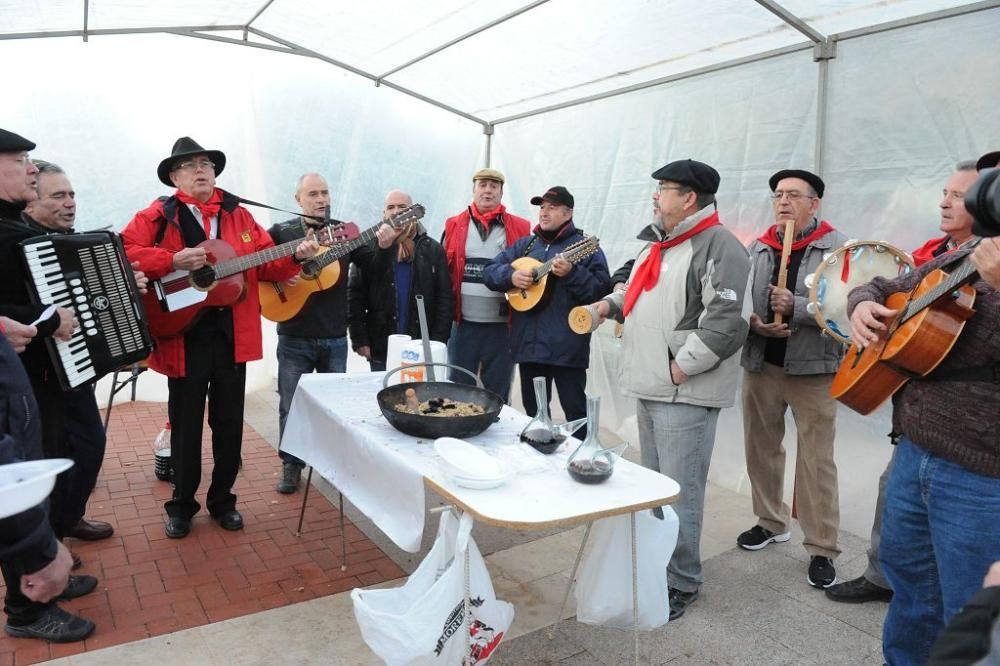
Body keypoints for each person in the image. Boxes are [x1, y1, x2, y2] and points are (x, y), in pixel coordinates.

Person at [122, 137, 319, 538]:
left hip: (232, 335)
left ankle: (223, 501)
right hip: (182, 337)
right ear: (175, 176)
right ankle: (180, 505)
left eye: (206, 164)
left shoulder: (240, 217)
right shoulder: (158, 214)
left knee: (229, 424)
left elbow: (270, 265)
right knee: (185, 422)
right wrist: (171, 259)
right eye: (190, 165)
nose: (200, 170)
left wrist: (297, 255)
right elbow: (123, 251)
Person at [848, 149, 1000, 664]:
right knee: (911, 590)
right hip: (915, 449)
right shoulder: (969, 250)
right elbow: (887, 285)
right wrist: (863, 304)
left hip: (983, 475)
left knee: (971, 615)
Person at [589, 159, 751, 620]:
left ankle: (682, 581)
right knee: (657, 486)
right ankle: (661, 567)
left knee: (681, 490)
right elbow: (639, 293)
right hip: (654, 384)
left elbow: (727, 320)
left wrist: (680, 368)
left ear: (689, 198)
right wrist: (608, 305)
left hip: (683, 390)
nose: (656, 197)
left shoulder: (719, 245)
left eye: (664, 189)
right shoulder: (659, 245)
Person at [827, 160, 981, 604]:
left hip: (974, 451)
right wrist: (860, 304)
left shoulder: (981, 261)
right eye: (945, 192)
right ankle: (883, 577)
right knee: (894, 509)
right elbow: (876, 285)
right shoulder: (945, 254)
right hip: (917, 430)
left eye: (957, 195)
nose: (943, 201)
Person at [0, 128, 94, 643]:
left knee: (65, 456)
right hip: (15, 387)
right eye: (20, 160)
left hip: (36, 380)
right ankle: (27, 607)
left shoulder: (14, 224)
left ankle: (46, 570)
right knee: (19, 491)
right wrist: (38, 318)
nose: (32, 169)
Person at [736, 169, 848, 589]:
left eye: (793, 195)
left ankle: (822, 547)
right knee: (761, 448)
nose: (782, 202)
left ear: (814, 203)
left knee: (816, 459)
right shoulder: (760, 246)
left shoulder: (838, 249)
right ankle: (770, 520)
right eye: (778, 195)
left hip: (814, 370)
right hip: (763, 363)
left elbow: (846, 308)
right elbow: (738, 298)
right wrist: (755, 324)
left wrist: (798, 306)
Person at [20, 162, 115, 545]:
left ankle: (69, 517)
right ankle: (53, 538)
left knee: (89, 446)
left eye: (72, 194)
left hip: (74, 366)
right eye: (58, 196)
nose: (70, 203)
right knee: (54, 455)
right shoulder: (17, 246)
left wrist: (126, 279)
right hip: (37, 377)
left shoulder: (70, 242)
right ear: (31, 204)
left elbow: (92, 301)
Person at [266, 173, 373, 494]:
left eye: (325, 193)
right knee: (291, 404)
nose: (321, 199)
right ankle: (291, 464)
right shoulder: (280, 232)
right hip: (294, 335)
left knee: (332, 406)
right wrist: (286, 273)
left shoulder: (344, 232)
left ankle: (330, 461)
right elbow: (261, 271)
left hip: (334, 337)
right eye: (313, 194)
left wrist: (381, 242)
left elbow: (370, 262)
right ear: (298, 199)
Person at [482, 186, 610, 437]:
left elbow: (600, 291)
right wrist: (511, 276)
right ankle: (538, 458)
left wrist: (573, 273)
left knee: (575, 412)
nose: (544, 212)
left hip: (567, 347)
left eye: (551, 207)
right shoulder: (526, 246)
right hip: (529, 345)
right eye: (542, 207)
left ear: (568, 212)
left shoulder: (585, 247)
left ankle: (581, 459)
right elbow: (490, 272)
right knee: (534, 413)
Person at [441, 168, 530, 400]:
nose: (488, 190)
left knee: (497, 393)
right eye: (483, 185)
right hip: (463, 325)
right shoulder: (453, 225)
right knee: (458, 390)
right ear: (474, 190)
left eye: (493, 186)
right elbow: (443, 273)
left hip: (503, 327)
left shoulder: (521, 227)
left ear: (501, 192)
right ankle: (457, 432)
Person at [348, 190, 452, 372]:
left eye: (402, 207)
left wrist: (437, 341)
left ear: (412, 212)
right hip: (380, 343)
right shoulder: (368, 248)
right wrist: (360, 339)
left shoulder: (432, 249)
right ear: (384, 214)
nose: (396, 211)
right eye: (391, 207)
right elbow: (355, 296)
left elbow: (444, 299)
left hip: (421, 345)